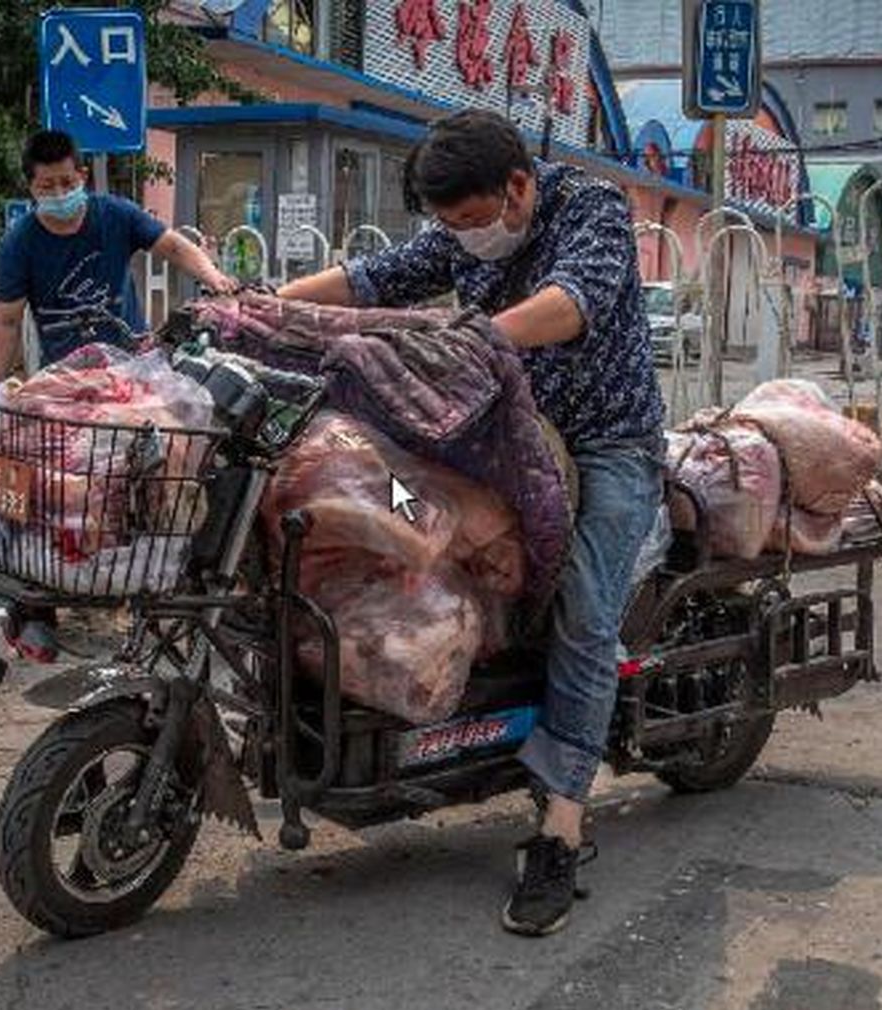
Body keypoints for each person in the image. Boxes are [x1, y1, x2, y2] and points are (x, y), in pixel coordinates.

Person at [278, 109, 665, 937]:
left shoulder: (589, 209)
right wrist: (259, 308)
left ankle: (561, 823)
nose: (461, 239)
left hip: (607, 445)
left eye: (469, 221)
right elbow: (371, 280)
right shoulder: (465, 231)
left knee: (585, 615)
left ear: (518, 188)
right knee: (402, 524)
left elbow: (571, 302)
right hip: (500, 441)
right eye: (448, 227)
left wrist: (468, 339)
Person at [0, 130, 236, 389]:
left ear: (83, 176)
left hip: (133, 367)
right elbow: (7, 321)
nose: (59, 194)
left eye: (68, 183)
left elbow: (173, 246)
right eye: (47, 187)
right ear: (31, 187)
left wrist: (214, 277)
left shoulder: (116, 215)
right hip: (65, 380)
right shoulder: (19, 243)